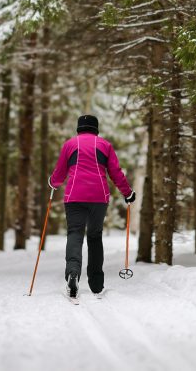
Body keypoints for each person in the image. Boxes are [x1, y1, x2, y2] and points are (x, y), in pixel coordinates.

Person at [49, 114, 135, 299]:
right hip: (99, 196)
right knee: (95, 237)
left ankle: (73, 272)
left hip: (74, 196)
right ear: (96, 128)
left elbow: (59, 172)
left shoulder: (70, 145)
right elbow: (116, 173)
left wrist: (53, 183)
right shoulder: (105, 145)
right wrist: (127, 193)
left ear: (79, 128)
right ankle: (96, 284)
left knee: (75, 233)